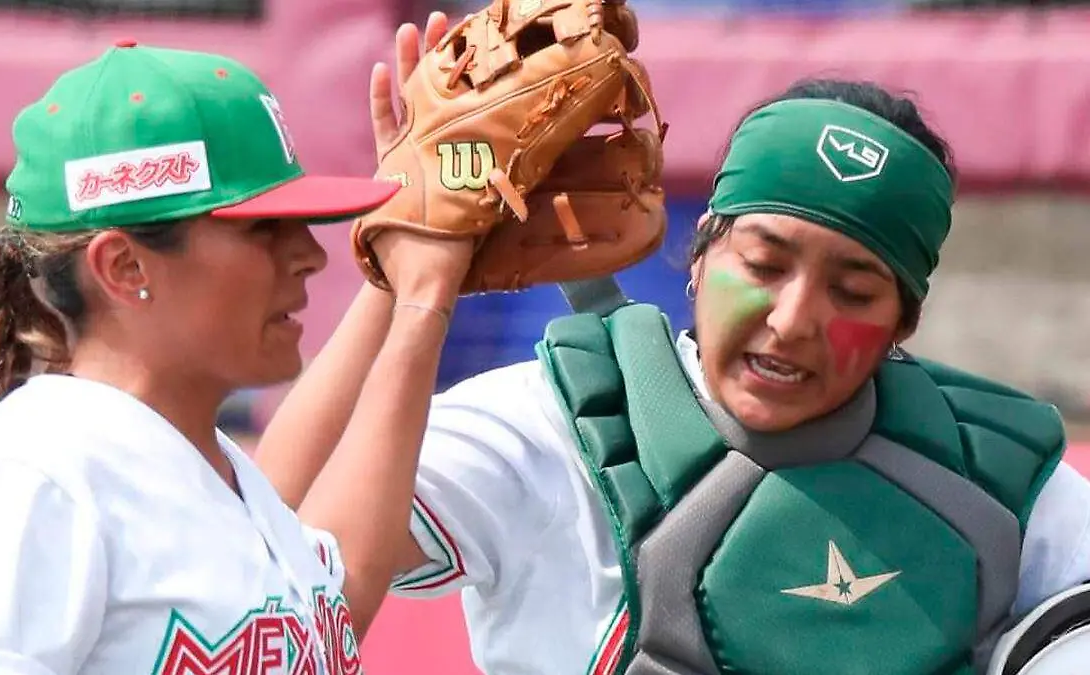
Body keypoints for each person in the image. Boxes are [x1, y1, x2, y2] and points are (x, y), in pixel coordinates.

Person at [255, 15, 1090, 675]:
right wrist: (400, 277)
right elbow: (274, 545)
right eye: (763, 263)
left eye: (854, 290)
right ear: (698, 258)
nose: (794, 317)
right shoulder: (556, 430)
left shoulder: (1001, 482)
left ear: (905, 322)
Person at [0, 38, 472, 674]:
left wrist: (414, 286)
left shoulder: (213, 469)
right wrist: (413, 300)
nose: (310, 254)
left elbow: (340, 601)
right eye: (262, 228)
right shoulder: (32, 482)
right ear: (124, 265)